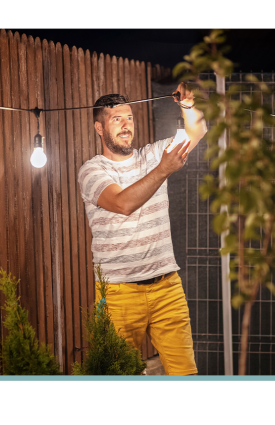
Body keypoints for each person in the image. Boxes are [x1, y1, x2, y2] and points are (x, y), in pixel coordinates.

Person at [77, 83, 206, 375]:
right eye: (116, 119)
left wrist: (187, 105)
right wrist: (163, 170)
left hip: (167, 288)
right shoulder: (92, 171)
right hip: (119, 292)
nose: (126, 125)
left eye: (130, 118)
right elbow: (123, 203)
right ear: (99, 128)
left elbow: (197, 130)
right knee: (121, 376)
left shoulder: (153, 155)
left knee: (186, 375)